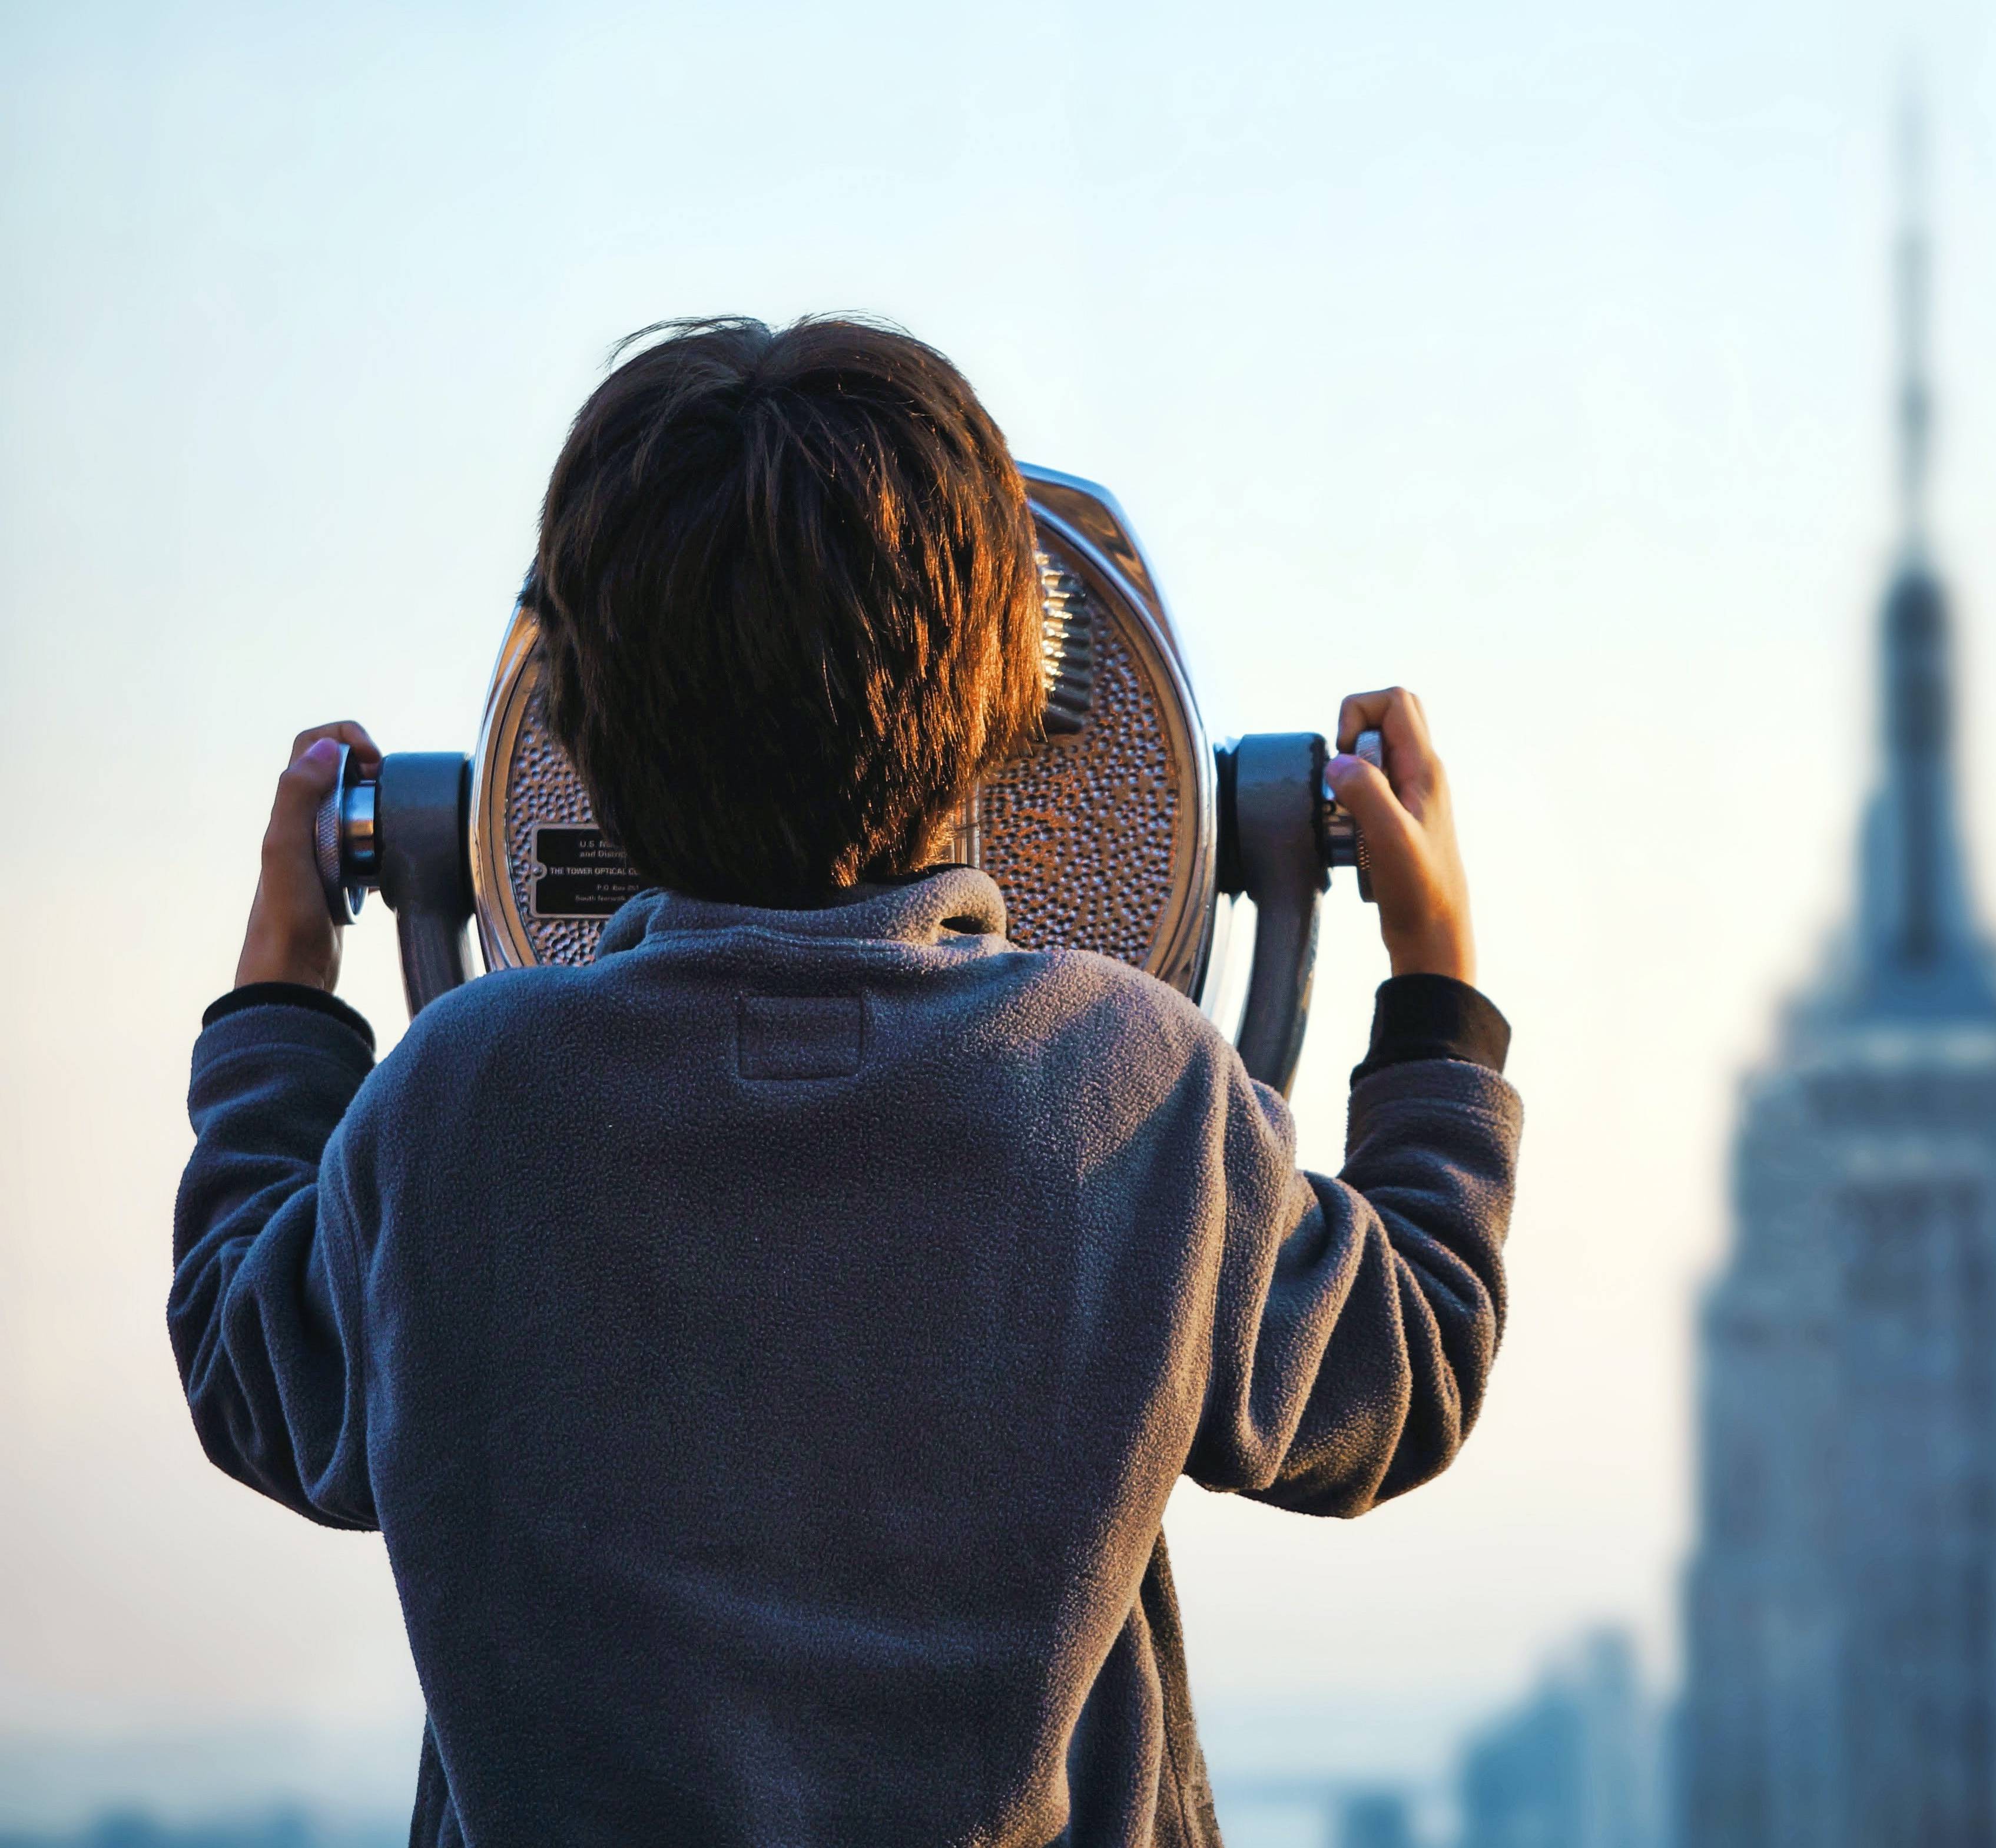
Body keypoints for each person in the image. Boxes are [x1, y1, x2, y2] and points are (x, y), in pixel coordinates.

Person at [170, 316, 1521, 1848]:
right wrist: (1436, 991)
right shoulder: (1131, 1090)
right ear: (1010, 702)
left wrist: (282, 984)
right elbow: (1411, 1364)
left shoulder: (454, 1108)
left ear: (571, 729)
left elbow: (251, 1366)